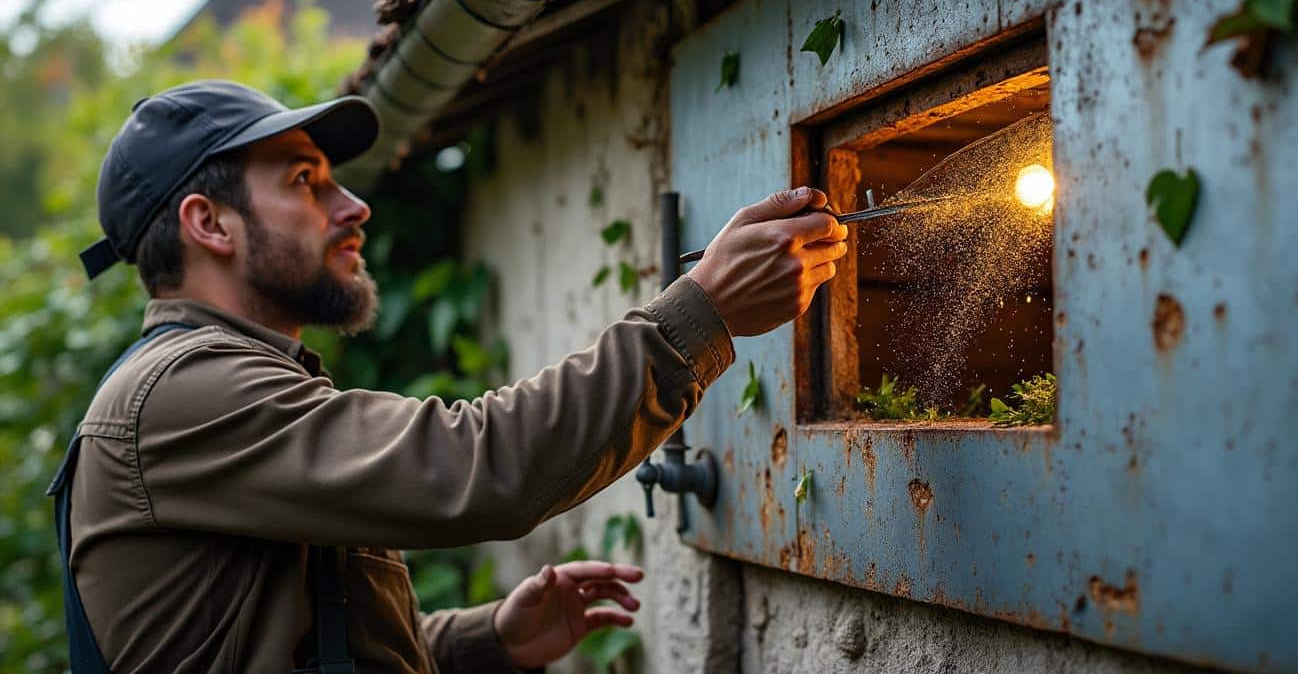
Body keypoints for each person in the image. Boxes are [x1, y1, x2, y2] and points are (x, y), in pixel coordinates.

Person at [54, 80, 848, 673]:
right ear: (209, 223)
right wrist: (702, 313)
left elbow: (290, 641)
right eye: (305, 180)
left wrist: (483, 640)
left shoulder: (229, 382)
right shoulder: (184, 391)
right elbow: (475, 464)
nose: (353, 205)